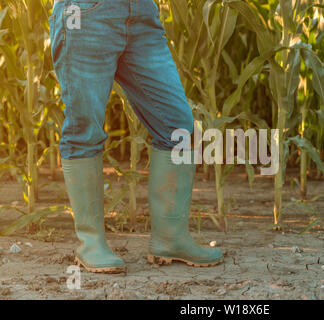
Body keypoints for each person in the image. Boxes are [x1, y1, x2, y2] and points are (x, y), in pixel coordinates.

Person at [49, 0, 223, 273]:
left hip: (142, 13)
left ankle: (170, 238)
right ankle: (91, 243)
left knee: (176, 124)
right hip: (85, 13)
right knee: (85, 128)